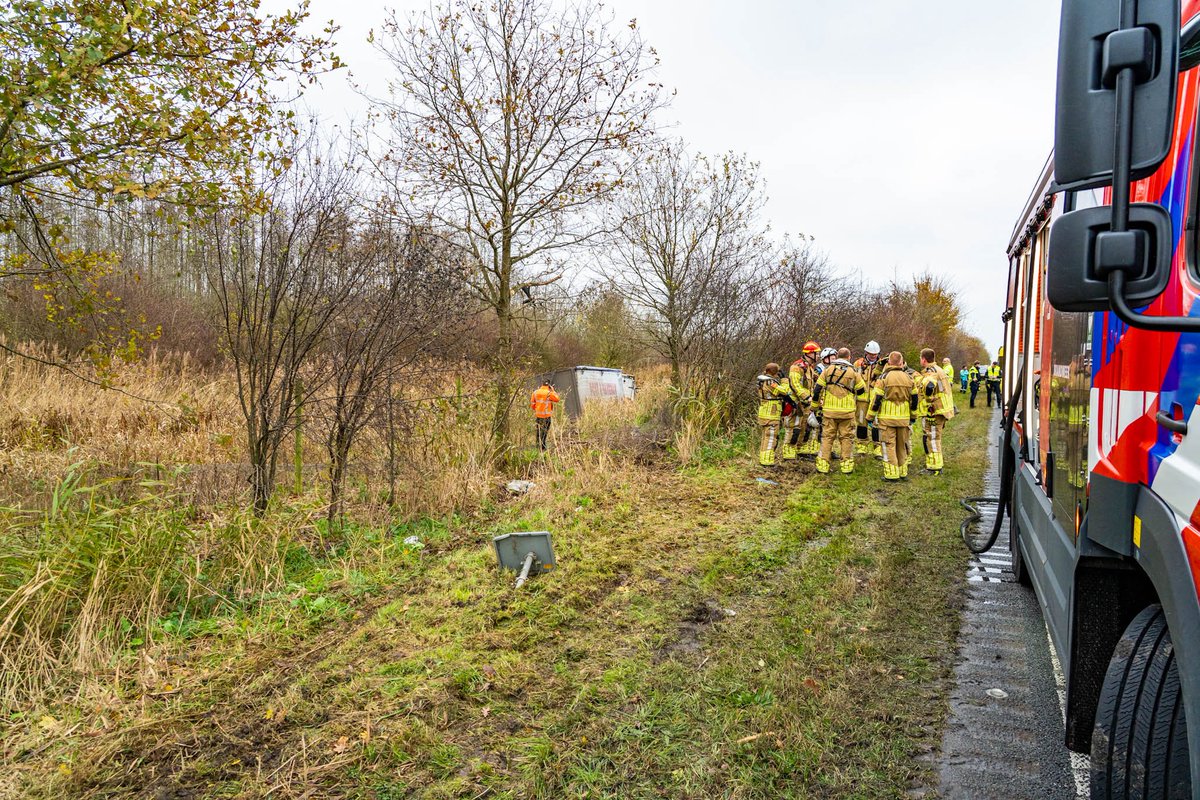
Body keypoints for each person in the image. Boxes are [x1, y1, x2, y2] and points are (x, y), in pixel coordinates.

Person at [813, 347, 867, 474]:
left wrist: (814, 406)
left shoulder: (827, 370)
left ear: (837, 357)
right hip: (847, 412)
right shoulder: (853, 372)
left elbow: (817, 389)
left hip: (829, 412)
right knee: (846, 438)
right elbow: (861, 391)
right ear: (849, 357)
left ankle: (823, 465)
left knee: (827, 437)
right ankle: (846, 466)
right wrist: (857, 406)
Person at [867, 351, 918, 481]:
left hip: (887, 419)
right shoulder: (909, 377)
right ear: (901, 362)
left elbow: (876, 399)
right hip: (904, 418)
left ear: (889, 362)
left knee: (888, 445)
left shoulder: (884, 378)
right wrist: (913, 417)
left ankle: (891, 474)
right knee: (902, 445)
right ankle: (903, 472)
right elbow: (914, 399)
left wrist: (870, 417)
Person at [917, 348, 955, 474]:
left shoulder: (931, 372)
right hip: (941, 410)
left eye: (920, 358)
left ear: (924, 359)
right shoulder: (939, 370)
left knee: (932, 438)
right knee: (935, 437)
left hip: (934, 411)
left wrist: (928, 400)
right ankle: (935, 464)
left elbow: (930, 386)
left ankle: (935, 468)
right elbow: (940, 388)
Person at [788, 341, 821, 457]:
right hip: (797, 402)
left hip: (806, 403)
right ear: (810, 354)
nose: (819, 356)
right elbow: (795, 384)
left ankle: (800, 449)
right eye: (817, 353)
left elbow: (817, 382)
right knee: (794, 427)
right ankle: (789, 452)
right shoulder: (797, 367)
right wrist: (806, 397)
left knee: (805, 427)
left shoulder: (810, 367)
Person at [853, 340, 885, 457]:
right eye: (871, 354)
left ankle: (878, 448)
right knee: (861, 423)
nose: (873, 356)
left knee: (877, 424)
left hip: (876, 399)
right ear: (866, 353)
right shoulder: (858, 364)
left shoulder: (882, 365)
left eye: (875, 354)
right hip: (861, 399)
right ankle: (862, 447)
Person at [756, 363, 789, 467]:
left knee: (765, 437)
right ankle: (767, 461)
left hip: (764, 411)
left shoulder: (761, 380)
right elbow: (784, 391)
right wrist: (784, 380)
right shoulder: (770, 382)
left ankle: (763, 459)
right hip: (771, 413)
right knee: (771, 437)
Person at [530, 380, 561, 450]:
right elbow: (557, 399)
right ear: (549, 386)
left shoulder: (535, 392)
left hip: (538, 416)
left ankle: (537, 446)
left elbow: (532, 405)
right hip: (546, 416)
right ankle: (543, 447)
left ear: (542, 384)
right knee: (544, 432)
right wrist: (553, 391)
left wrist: (537, 409)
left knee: (538, 432)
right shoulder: (549, 393)